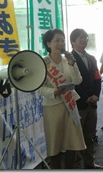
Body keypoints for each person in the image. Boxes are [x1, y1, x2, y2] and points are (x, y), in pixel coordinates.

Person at [38, 29, 86, 169]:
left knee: (74, 142)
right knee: (55, 144)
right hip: (52, 108)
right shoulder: (43, 63)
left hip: (70, 105)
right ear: (48, 43)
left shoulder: (69, 60)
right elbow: (39, 88)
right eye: (57, 40)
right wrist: (54, 91)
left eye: (62, 40)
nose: (61, 43)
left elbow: (77, 81)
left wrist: (73, 65)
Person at [70, 28, 103, 169]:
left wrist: (96, 95)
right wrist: (85, 98)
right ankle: (77, 165)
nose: (84, 40)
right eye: (80, 38)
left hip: (92, 103)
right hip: (79, 104)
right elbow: (73, 83)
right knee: (77, 138)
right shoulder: (69, 59)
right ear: (73, 41)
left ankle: (90, 164)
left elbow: (97, 78)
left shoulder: (91, 58)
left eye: (85, 38)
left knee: (90, 136)